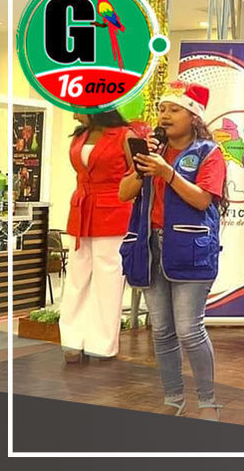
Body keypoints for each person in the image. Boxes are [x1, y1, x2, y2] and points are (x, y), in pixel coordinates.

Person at [118, 82, 227, 421]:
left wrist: (168, 173)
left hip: (190, 248)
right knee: (162, 331)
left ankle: (208, 402)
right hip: (149, 247)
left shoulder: (209, 153)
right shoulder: (153, 151)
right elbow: (123, 192)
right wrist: (142, 168)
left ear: (193, 117)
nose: (164, 115)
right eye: (162, 109)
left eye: (174, 110)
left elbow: (202, 200)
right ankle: (174, 398)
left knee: (189, 330)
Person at [61, 110, 138, 363]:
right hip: (81, 209)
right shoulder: (80, 135)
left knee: (108, 279)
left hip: (113, 211)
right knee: (76, 277)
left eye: (76, 107)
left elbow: (138, 174)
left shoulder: (125, 136)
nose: (74, 114)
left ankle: (102, 344)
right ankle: (72, 341)